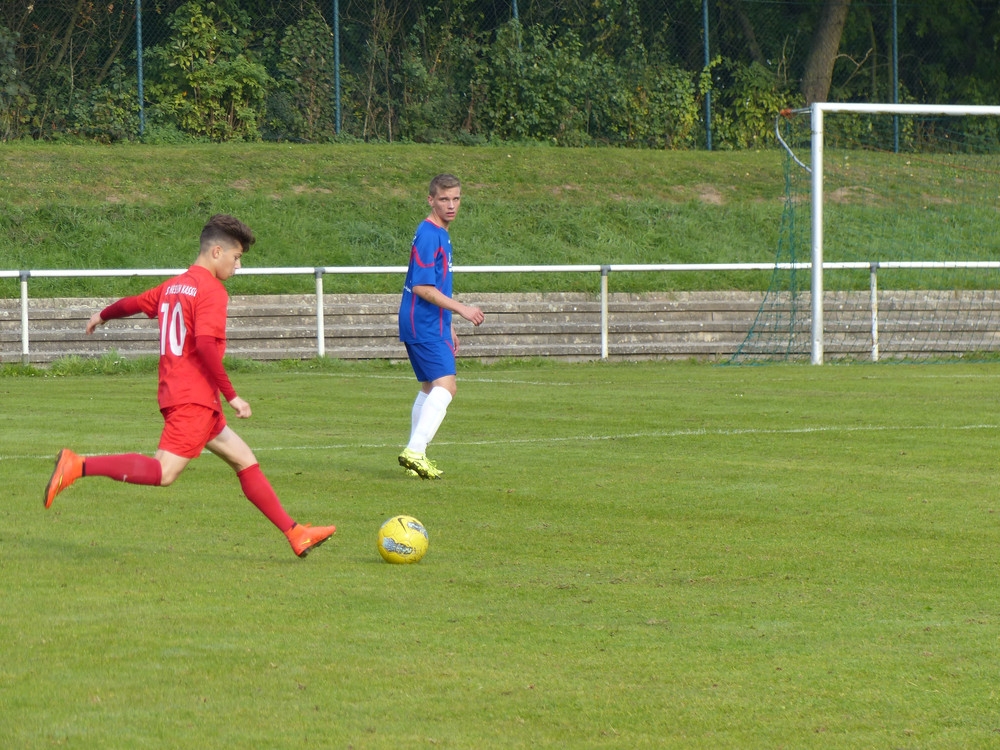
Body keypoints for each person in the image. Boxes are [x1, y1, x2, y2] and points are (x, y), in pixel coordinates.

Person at [43, 214, 337, 558]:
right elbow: (205, 345)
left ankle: (296, 533)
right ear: (216, 252)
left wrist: (103, 315)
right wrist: (233, 396)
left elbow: (134, 303)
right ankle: (77, 465)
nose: (238, 266)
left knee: (244, 460)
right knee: (163, 472)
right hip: (193, 399)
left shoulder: (173, 286)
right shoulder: (212, 290)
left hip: (185, 395)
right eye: (236, 257)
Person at [397, 174, 485, 479]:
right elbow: (422, 287)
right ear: (431, 200)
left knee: (430, 388)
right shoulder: (429, 234)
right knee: (447, 387)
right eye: (444, 199)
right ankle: (415, 451)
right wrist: (462, 309)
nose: (451, 205)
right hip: (422, 322)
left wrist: (447, 324)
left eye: (456, 198)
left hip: (430, 322)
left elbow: (436, 284)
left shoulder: (440, 234)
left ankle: (414, 458)